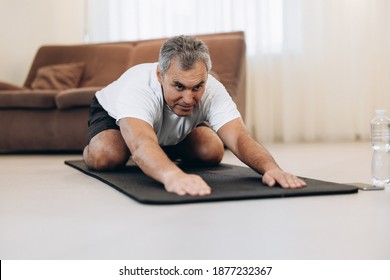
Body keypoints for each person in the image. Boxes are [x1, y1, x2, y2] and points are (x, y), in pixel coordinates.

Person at [83, 35, 306, 196]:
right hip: (114, 116)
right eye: (179, 86)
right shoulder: (138, 89)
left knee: (211, 149)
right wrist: (172, 175)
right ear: (160, 75)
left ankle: (161, 149)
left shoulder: (213, 88)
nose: (189, 99)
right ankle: (100, 147)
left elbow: (239, 137)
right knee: (107, 155)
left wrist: (272, 168)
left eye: (197, 87)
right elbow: (141, 144)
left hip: (166, 129)